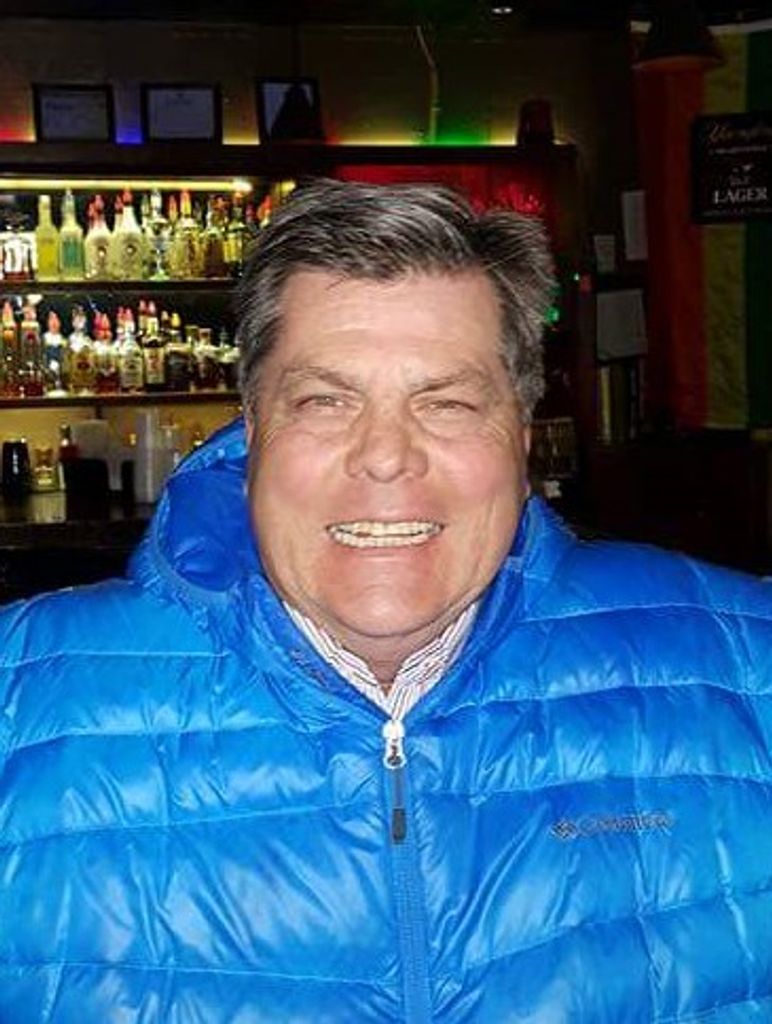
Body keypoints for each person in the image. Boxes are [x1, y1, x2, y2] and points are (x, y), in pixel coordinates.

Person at [1, 179, 771, 1024]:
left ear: (522, 437)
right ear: (252, 429)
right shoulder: (17, 704)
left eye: (446, 403)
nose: (385, 457)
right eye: (326, 401)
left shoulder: (749, 672)